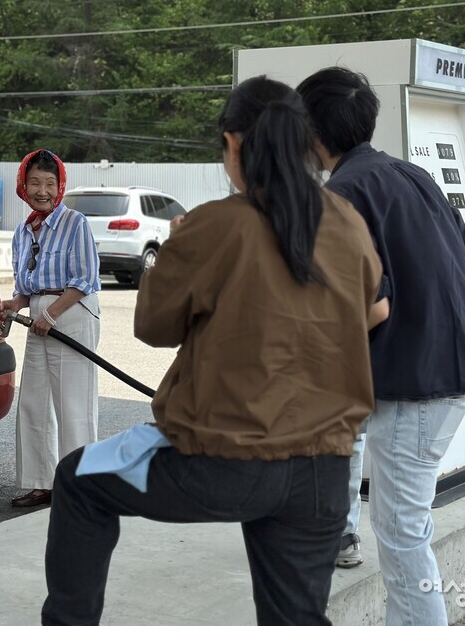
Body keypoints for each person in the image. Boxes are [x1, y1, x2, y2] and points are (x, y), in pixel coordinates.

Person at [40, 77, 389, 626]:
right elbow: (367, 308)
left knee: (77, 480)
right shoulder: (348, 223)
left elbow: (154, 326)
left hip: (223, 462)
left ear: (232, 142)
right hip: (324, 467)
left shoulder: (218, 223)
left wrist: (175, 246)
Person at [298, 66, 465, 626]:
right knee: (407, 529)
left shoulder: (342, 194)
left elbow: (373, 306)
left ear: (312, 131)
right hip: (444, 376)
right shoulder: (412, 174)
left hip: (410, 391)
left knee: (402, 537)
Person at [0, 149, 101, 509]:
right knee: (34, 402)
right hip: (39, 317)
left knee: (73, 404)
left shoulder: (75, 223)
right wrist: (15, 304)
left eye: (49, 183)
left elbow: (85, 279)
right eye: (34, 183)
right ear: (22, 186)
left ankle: (80, 488)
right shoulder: (23, 231)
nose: (42, 191)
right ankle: (41, 483)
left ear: (60, 187)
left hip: (71, 314)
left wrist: (52, 314)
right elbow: (28, 287)